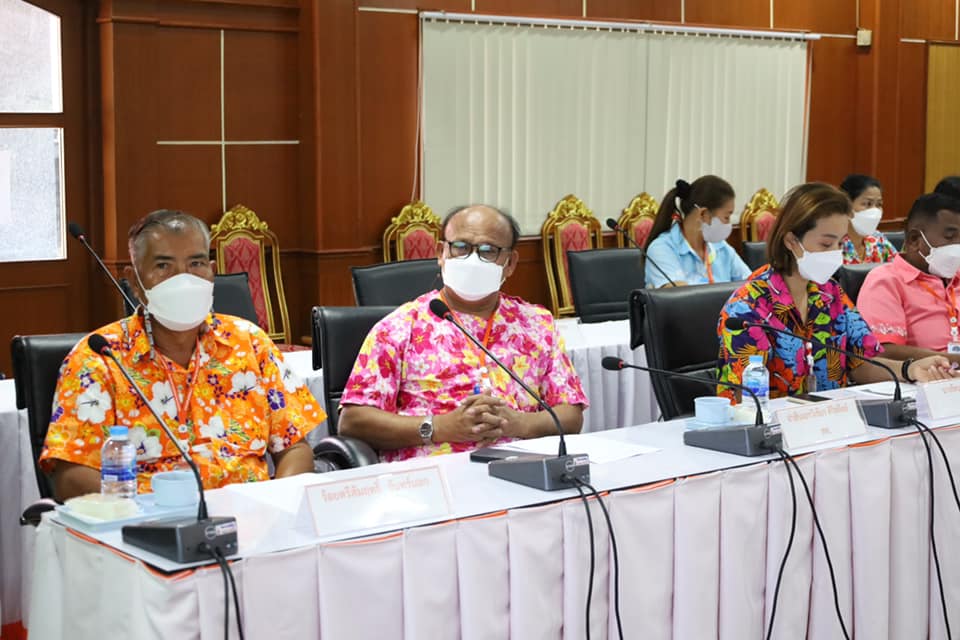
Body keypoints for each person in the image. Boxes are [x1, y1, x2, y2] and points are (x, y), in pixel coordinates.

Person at [40, 210, 323, 500]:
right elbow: (71, 476)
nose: (183, 278)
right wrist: (145, 514)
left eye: (196, 264)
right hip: (147, 521)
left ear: (212, 272)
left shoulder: (250, 343)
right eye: (163, 265)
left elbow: (295, 449)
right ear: (134, 281)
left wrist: (276, 504)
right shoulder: (98, 358)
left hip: (251, 518)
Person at [338, 204, 587, 462]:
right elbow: (353, 421)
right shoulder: (399, 327)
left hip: (523, 470)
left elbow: (571, 415)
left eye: (488, 251)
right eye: (461, 247)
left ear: (510, 263)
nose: (472, 260)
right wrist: (439, 427)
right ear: (441, 253)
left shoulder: (537, 324)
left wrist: (518, 423)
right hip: (433, 475)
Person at [718, 183, 958, 400]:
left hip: (833, 420)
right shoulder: (747, 307)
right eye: (826, 244)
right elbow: (744, 397)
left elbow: (862, 364)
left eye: (840, 244)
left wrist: (911, 369)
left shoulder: (831, 295)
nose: (835, 253)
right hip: (774, 425)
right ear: (791, 241)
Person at [857, 193, 960, 364]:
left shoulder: (956, 276)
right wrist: (953, 360)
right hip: (919, 376)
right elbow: (882, 351)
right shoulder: (887, 281)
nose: (957, 246)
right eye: (950, 237)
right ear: (914, 240)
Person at [643, 176, 752, 288]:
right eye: (726, 217)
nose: (728, 224)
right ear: (703, 214)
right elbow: (682, 296)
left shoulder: (721, 247)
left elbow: (752, 284)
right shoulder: (661, 248)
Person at [838, 174, 898, 264]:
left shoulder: (879, 239)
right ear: (847, 205)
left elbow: (899, 268)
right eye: (868, 204)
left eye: (879, 204)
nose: (875, 210)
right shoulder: (833, 244)